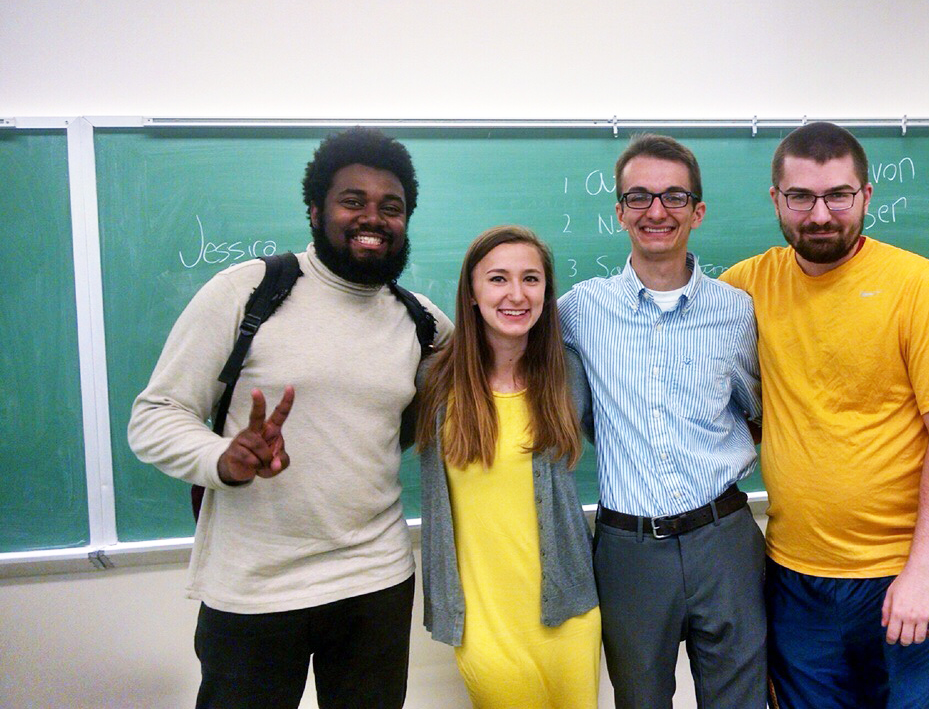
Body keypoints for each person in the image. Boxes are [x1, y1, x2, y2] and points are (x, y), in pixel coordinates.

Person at [128, 127, 450, 709]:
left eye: (391, 207)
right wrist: (221, 458)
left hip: (375, 582)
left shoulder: (422, 322)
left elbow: (467, 398)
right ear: (315, 209)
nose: (372, 218)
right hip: (254, 590)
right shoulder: (248, 292)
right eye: (352, 201)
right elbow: (155, 415)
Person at [720, 121, 929, 709]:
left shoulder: (919, 286)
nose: (820, 214)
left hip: (903, 573)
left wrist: (923, 571)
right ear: (776, 199)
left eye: (837, 195)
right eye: (801, 197)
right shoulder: (743, 289)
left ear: (866, 195)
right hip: (795, 578)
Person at [559, 134, 766, 707]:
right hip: (629, 550)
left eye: (674, 197)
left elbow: (759, 411)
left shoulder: (736, 309)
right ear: (619, 210)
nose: (656, 211)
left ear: (698, 211)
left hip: (723, 541)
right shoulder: (578, 311)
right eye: (640, 197)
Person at [414, 225, 601, 707]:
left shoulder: (568, 373)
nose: (516, 294)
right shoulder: (435, 382)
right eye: (498, 279)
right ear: (472, 293)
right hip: (482, 624)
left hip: (571, 612)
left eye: (531, 279)